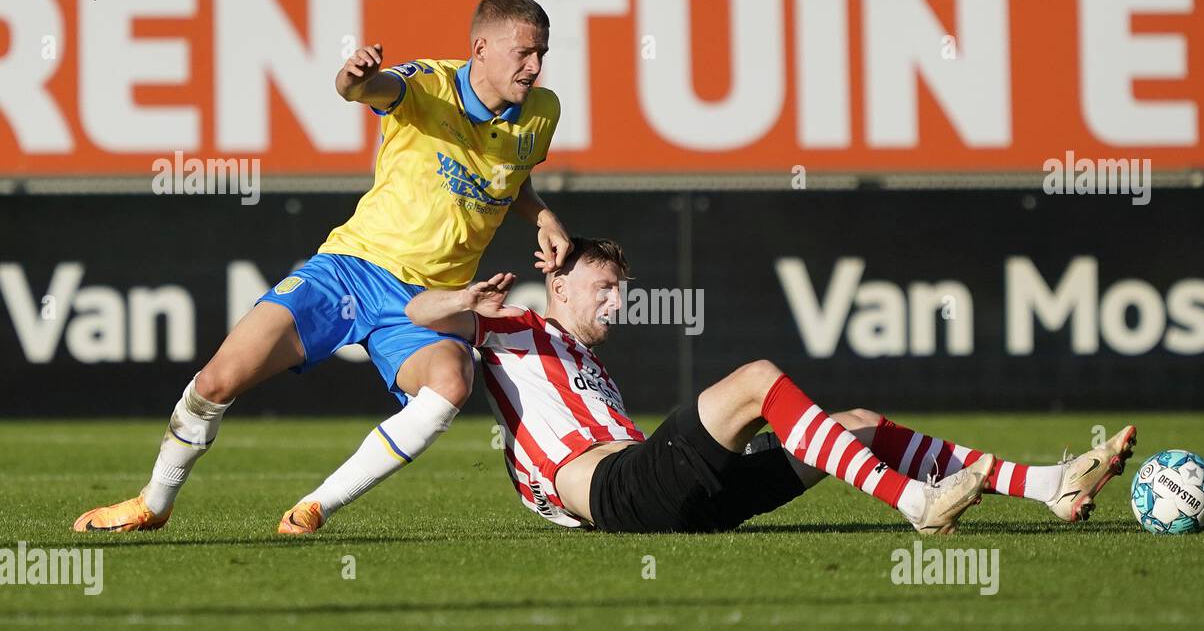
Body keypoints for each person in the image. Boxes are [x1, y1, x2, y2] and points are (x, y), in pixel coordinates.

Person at [74, 0, 571, 535]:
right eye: (523, 52)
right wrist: (354, 78)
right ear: (480, 47)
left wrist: (541, 216)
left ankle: (314, 508)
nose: (534, 65)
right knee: (218, 381)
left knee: (452, 382)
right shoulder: (429, 85)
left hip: (429, 303)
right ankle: (154, 502)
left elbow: (511, 175)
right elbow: (365, 89)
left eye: (541, 52)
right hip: (351, 270)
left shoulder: (542, 112)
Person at [400, 237, 1137, 535]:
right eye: (601, 286)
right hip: (618, 491)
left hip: (679, 503)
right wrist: (464, 298)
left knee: (856, 422)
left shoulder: (585, 364)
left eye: (621, 290)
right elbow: (413, 310)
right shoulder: (510, 329)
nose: (615, 303)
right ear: (556, 282)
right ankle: (916, 503)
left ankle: (1048, 485)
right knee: (756, 380)